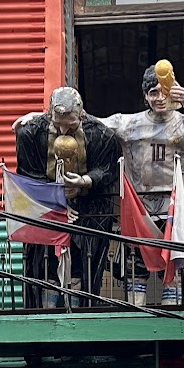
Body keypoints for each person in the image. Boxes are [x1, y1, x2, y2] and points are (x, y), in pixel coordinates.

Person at [100, 69, 184, 307]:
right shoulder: (129, 124)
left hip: (175, 212)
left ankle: (172, 323)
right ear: (145, 96)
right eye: (153, 93)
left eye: (164, 92)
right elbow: (88, 123)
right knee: (134, 275)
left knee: (176, 276)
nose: (160, 98)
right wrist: (45, 116)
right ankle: (137, 320)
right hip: (139, 212)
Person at [12, 87, 123, 308]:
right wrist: (57, 202)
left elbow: (107, 169)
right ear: (49, 114)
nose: (63, 130)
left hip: (87, 212)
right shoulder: (31, 134)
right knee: (46, 267)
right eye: (58, 123)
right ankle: (47, 311)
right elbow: (28, 174)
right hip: (45, 210)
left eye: (70, 125)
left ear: (81, 114)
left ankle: (77, 308)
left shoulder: (101, 135)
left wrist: (85, 180)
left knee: (81, 266)